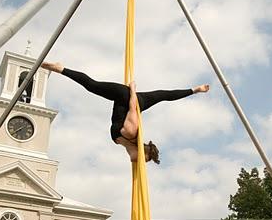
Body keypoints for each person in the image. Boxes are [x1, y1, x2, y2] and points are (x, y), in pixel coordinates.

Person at [42, 62, 210, 164]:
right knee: (92, 85)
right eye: (145, 160)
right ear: (143, 151)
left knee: (164, 95)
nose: (140, 163)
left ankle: (196, 90)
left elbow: (132, 157)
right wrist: (132, 89)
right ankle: (60, 68)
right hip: (129, 97)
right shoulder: (131, 132)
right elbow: (133, 107)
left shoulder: (126, 144)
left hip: (128, 103)